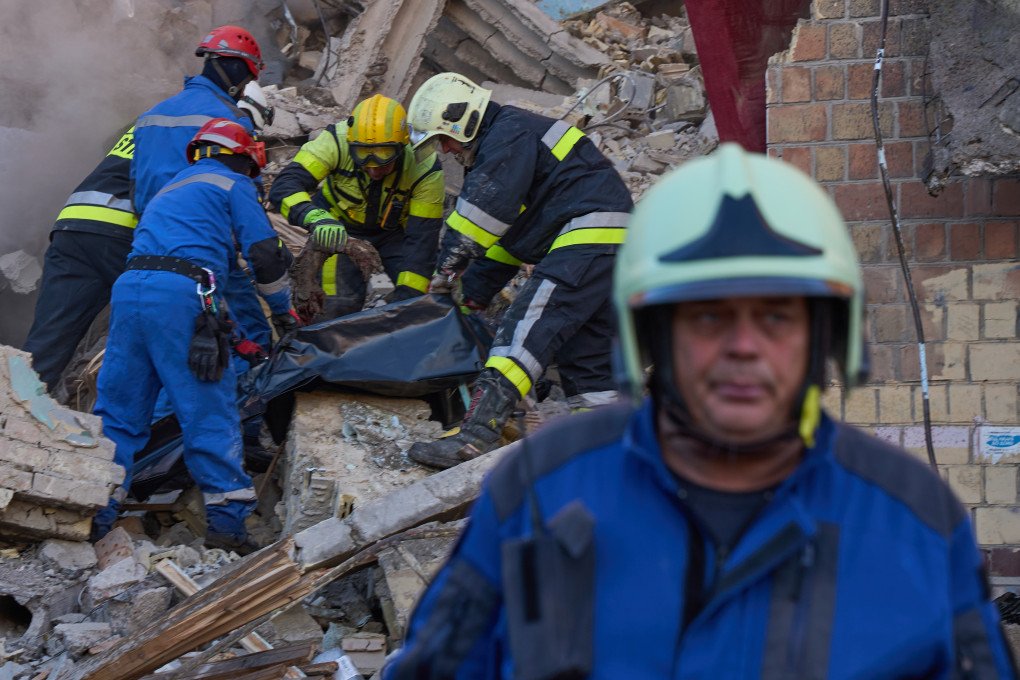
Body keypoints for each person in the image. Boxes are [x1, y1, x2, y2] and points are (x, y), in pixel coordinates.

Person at [382, 144, 1017, 678]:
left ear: (825, 335)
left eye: (776, 315)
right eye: (708, 315)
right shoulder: (543, 492)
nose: (743, 348)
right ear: (652, 335)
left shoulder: (913, 522)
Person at [402, 72, 633, 470]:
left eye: (443, 139)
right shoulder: (517, 138)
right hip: (617, 245)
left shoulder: (507, 137)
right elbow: (512, 240)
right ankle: (604, 454)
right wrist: (475, 291)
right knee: (588, 355)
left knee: (524, 329)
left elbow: (479, 218)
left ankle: (474, 437)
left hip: (587, 237)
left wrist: (446, 270)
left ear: (462, 121)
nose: (446, 150)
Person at [93, 119, 299, 550]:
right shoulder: (232, 184)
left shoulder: (172, 190)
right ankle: (226, 526)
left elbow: (204, 272)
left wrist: (237, 333)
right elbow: (263, 254)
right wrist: (284, 315)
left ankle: (96, 510)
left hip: (130, 291)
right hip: (185, 293)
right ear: (245, 158)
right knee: (208, 407)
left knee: (119, 412)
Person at [133, 25, 274, 351]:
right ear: (240, 70)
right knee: (252, 336)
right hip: (205, 252)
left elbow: (138, 189)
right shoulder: (231, 120)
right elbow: (244, 197)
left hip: (146, 248)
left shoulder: (149, 117)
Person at [268, 94, 445, 318]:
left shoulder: (424, 165)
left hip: (396, 234)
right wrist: (315, 218)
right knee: (336, 305)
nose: (374, 171)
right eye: (364, 159)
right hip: (338, 228)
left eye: (384, 160)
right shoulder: (336, 140)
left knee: (415, 301)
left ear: (402, 145)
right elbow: (284, 187)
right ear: (352, 143)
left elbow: (422, 240)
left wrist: (407, 302)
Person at [23, 126, 136, 390]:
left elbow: (109, 143)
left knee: (48, 341)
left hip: (73, 224)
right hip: (121, 233)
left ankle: (14, 416)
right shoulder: (211, 128)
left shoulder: (144, 121)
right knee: (161, 325)